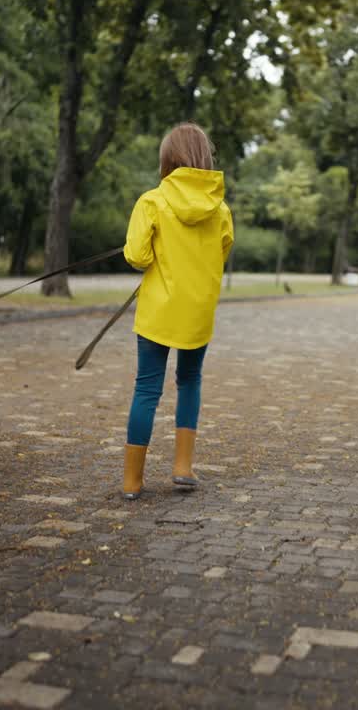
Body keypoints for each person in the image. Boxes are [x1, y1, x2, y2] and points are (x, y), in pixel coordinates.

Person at [120, 123, 234, 500]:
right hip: (197, 312)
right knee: (190, 381)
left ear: (167, 159)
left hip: (158, 312)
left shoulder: (152, 201)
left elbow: (137, 256)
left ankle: (132, 481)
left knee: (147, 388)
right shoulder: (221, 210)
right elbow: (222, 252)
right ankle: (182, 467)